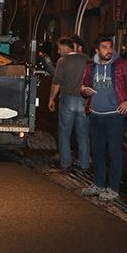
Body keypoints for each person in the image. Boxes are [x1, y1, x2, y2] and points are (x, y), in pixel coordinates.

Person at [80, 36, 127, 202]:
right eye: (105, 47)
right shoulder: (90, 66)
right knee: (98, 152)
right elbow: (84, 84)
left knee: (114, 152)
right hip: (95, 115)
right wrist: (84, 90)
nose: (109, 50)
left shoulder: (121, 65)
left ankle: (113, 188)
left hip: (114, 116)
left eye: (110, 47)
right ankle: (98, 184)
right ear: (97, 50)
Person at [48, 36, 91, 172]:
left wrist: (51, 99)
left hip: (67, 99)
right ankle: (84, 163)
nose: (59, 52)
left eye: (60, 49)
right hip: (83, 100)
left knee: (65, 132)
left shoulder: (63, 61)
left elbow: (57, 82)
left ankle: (65, 162)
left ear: (67, 48)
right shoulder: (87, 59)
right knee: (83, 133)